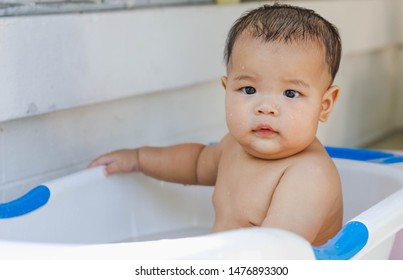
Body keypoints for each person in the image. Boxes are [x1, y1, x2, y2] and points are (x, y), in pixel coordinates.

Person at [88, 3, 343, 246]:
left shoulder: (308, 176)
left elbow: (275, 254)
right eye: (249, 89)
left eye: (290, 93)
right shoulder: (232, 147)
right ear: (227, 88)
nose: (266, 107)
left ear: (324, 105)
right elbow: (195, 163)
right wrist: (139, 158)